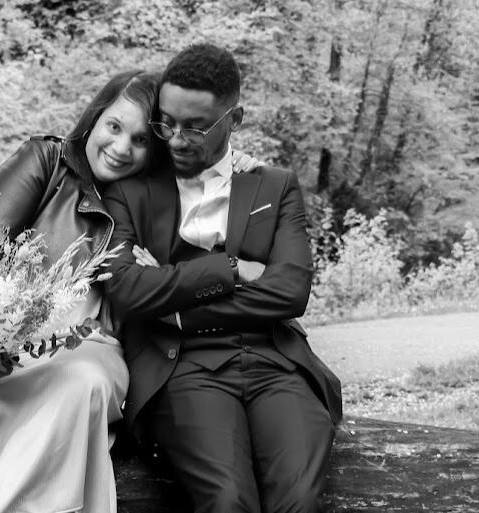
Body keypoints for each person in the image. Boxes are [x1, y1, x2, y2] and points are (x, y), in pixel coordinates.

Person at [0, 68, 263, 513]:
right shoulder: (48, 161)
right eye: (114, 126)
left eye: (140, 140)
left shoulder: (157, 201)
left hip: (89, 346)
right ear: (95, 117)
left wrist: (232, 169)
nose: (121, 148)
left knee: (82, 383)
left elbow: (205, 254)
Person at [102, 43, 343, 513]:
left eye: (195, 127)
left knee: (299, 499)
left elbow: (290, 292)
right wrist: (231, 269)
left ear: (234, 120)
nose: (176, 140)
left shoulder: (274, 185)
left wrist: (174, 304)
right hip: (183, 367)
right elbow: (128, 290)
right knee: (228, 500)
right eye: (166, 123)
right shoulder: (131, 192)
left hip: (276, 362)